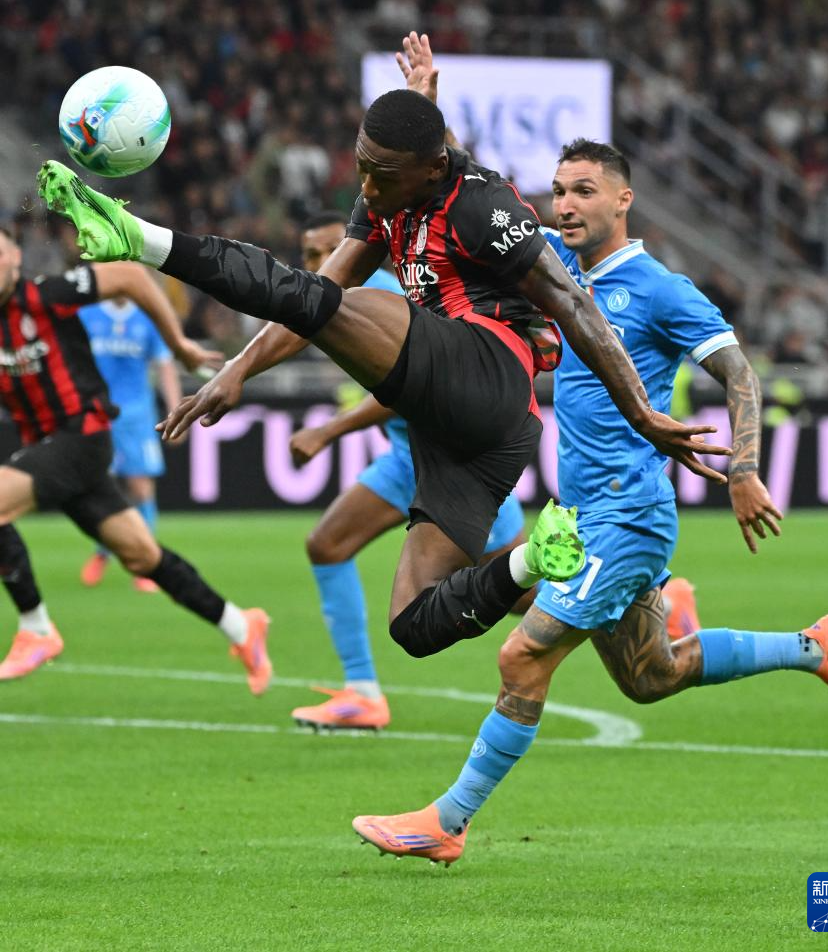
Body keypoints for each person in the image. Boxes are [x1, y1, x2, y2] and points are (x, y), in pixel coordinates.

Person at [344, 35, 828, 865]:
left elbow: (740, 374)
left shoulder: (659, 288)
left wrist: (741, 469)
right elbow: (466, 190)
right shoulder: (552, 265)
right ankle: (813, 646)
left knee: (522, 655)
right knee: (648, 674)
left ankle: (446, 820)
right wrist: (425, 110)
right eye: (557, 190)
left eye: (583, 191)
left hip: (626, 514)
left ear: (623, 199)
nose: (564, 205)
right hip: (583, 511)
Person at [38, 86, 729, 674]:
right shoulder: (388, 194)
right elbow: (313, 294)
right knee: (414, 624)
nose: (367, 188)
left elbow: (574, 306)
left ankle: (138, 237)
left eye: (383, 174)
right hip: (471, 437)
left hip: (488, 369)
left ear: (432, 168)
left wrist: (643, 415)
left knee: (326, 301)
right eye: (362, 166)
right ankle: (532, 559)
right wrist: (237, 369)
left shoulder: (483, 206)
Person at [0, 227, 271, 694]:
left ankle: (36, 628)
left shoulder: (46, 295)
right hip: (52, 451)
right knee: (142, 555)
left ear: (16, 257)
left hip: (82, 437)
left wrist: (179, 346)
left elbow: (132, 277)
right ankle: (241, 626)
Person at [288, 211, 529, 730]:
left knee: (524, 593)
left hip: (457, 458)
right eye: (310, 255)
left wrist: (327, 431)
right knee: (327, 545)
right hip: (407, 457)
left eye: (328, 250)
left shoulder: (381, 294)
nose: (319, 262)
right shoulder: (330, 300)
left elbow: (406, 388)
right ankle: (362, 694)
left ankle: (650, 605)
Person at [78, 293, 184, 593]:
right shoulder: (87, 315)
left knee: (141, 488)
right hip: (98, 415)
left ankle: (148, 565)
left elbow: (165, 366)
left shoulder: (148, 317)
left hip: (137, 416)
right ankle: (102, 552)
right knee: (102, 487)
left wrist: (176, 412)